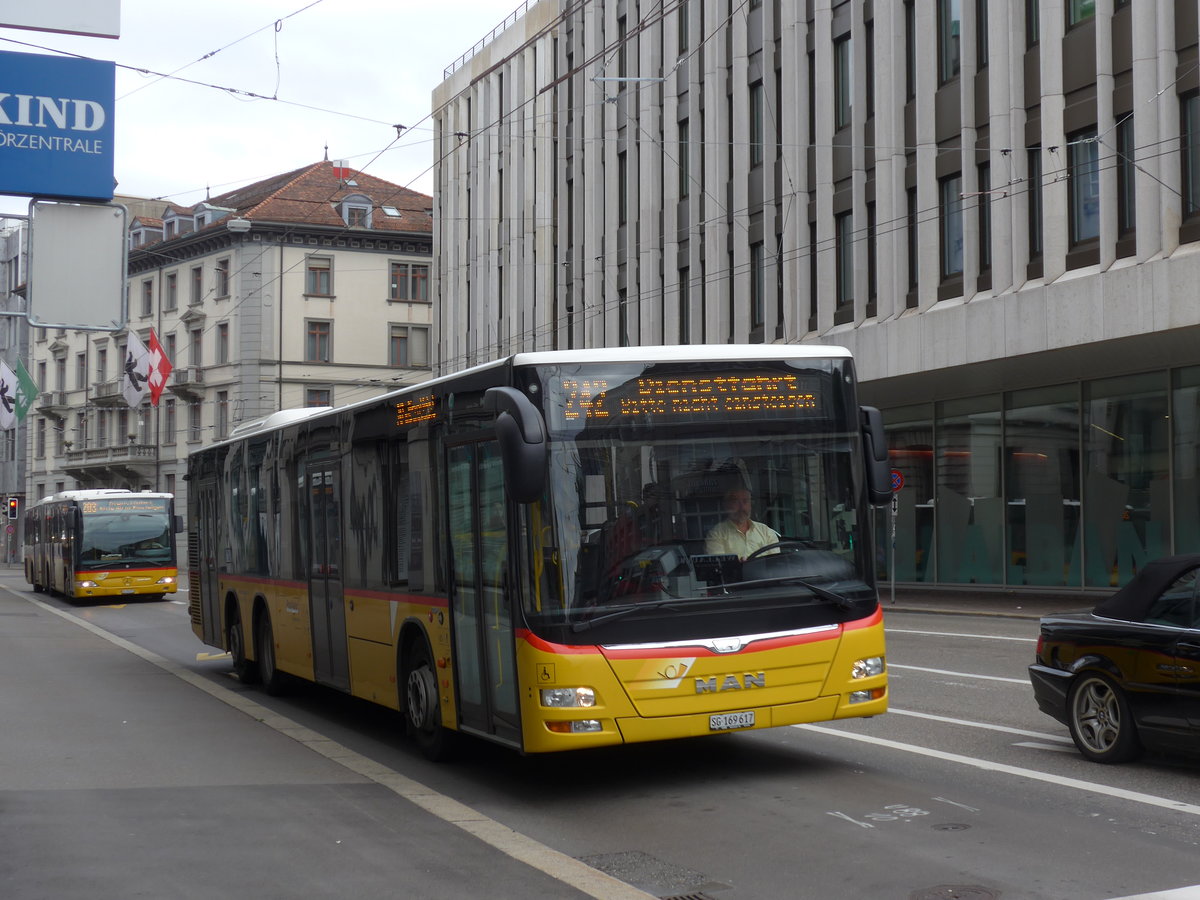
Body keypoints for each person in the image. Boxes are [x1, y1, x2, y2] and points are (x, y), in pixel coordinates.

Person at [704, 487, 779, 560]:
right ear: (726, 505)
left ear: (750, 505)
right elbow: (720, 566)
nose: (742, 507)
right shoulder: (716, 534)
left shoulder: (766, 532)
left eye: (745, 501)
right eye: (735, 502)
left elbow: (775, 564)